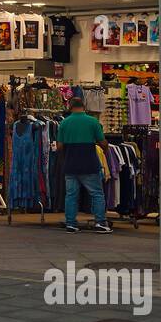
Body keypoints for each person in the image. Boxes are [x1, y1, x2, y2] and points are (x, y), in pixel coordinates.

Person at [56, 97, 112, 233]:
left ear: (70, 107)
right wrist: (105, 150)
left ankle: (71, 223)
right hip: (89, 164)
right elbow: (102, 142)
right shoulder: (93, 122)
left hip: (70, 164)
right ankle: (100, 223)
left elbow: (59, 146)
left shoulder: (64, 123)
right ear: (84, 106)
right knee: (97, 194)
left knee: (71, 195)